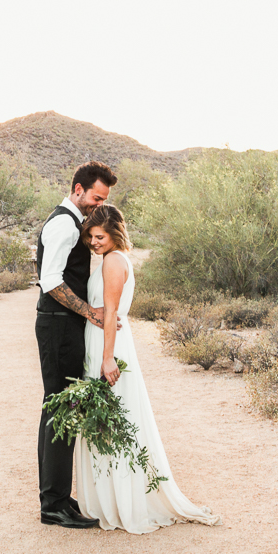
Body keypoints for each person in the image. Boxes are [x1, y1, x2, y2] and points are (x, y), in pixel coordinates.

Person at [74, 204, 219, 533]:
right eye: (90, 237)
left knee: (112, 422)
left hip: (107, 345)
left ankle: (119, 502)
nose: (94, 242)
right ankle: (114, 498)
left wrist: (106, 358)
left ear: (114, 234)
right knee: (113, 421)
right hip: (107, 341)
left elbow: (110, 313)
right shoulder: (116, 258)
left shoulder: (112, 261)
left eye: (99, 236)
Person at [34, 161, 117, 529]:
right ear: (78, 189)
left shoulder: (73, 222)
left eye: (103, 200)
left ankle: (59, 497)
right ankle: (51, 504)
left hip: (64, 326)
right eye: (95, 198)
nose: (97, 206)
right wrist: (90, 312)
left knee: (63, 410)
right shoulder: (62, 224)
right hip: (57, 326)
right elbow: (50, 280)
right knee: (57, 410)